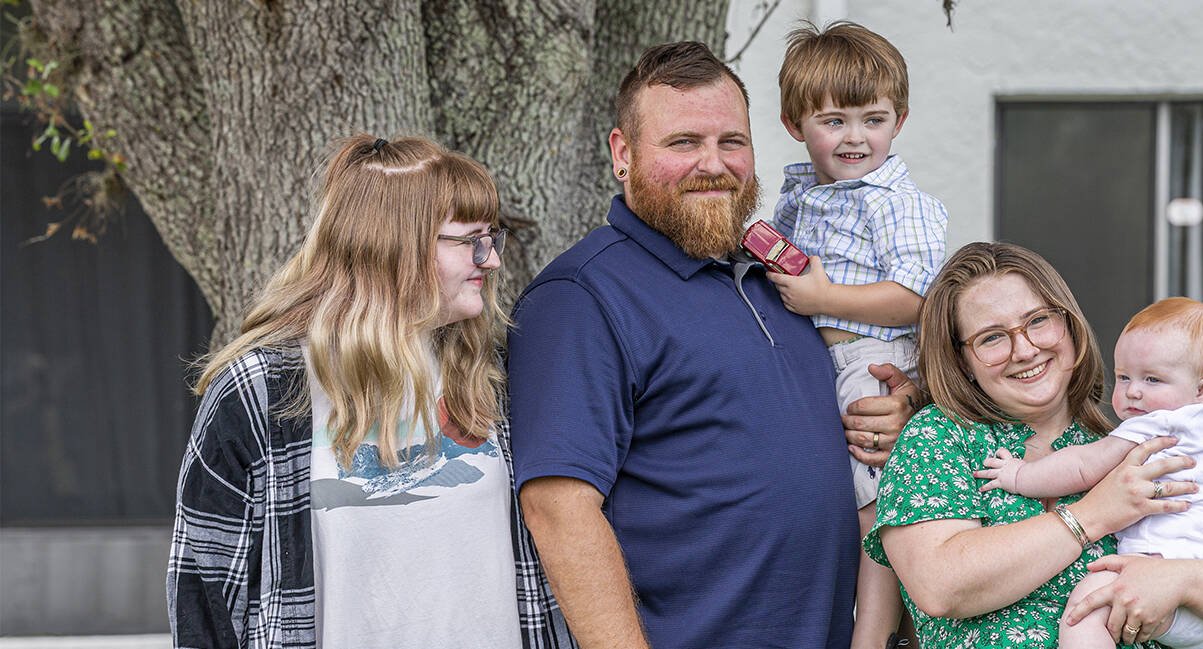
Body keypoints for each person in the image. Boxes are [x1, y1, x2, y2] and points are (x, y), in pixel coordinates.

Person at [507, 41, 919, 649]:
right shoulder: (581, 297)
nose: (713, 163)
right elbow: (558, 508)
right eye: (683, 143)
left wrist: (897, 409)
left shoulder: (785, 275)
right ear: (623, 153)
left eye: (732, 142)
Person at [167, 134, 573, 649]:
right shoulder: (262, 389)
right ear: (395, 246)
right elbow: (204, 588)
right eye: (470, 240)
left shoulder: (491, 375)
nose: (490, 260)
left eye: (491, 238)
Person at [865, 242, 1203, 649]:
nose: (1024, 349)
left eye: (1038, 321)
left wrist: (1179, 579)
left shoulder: (1134, 441)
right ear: (962, 361)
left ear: (1069, 325)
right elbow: (942, 587)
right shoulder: (939, 437)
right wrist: (1093, 513)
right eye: (992, 337)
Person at [765, 20, 948, 649]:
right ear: (795, 123)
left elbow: (916, 295)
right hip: (818, 363)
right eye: (834, 120)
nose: (854, 137)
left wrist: (825, 299)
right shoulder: (801, 194)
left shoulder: (900, 203)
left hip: (873, 358)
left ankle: (871, 638)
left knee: (876, 498)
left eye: (873, 119)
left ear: (899, 119)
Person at [975, 297, 1203, 649]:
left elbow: (1081, 466)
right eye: (1123, 377)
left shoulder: (1154, 424)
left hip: (1160, 578)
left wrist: (1018, 476)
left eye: (1153, 379)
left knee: (1085, 607)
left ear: (1202, 389)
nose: (1133, 391)